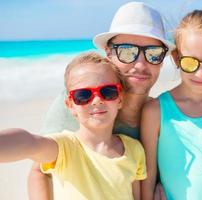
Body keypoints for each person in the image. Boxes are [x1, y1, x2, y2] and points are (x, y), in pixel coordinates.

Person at [27, 2, 174, 199]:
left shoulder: (163, 115)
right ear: (109, 52)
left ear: (162, 59)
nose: (140, 64)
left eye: (153, 54)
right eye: (127, 51)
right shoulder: (81, 101)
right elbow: (39, 171)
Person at [0, 52, 147, 200]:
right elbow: (29, 143)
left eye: (107, 92)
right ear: (70, 105)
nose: (96, 100)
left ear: (120, 98)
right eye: (83, 95)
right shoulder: (65, 148)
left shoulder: (134, 149)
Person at [141, 9, 202, 199]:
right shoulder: (155, 111)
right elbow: (148, 175)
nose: (200, 74)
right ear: (176, 58)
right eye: (191, 62)